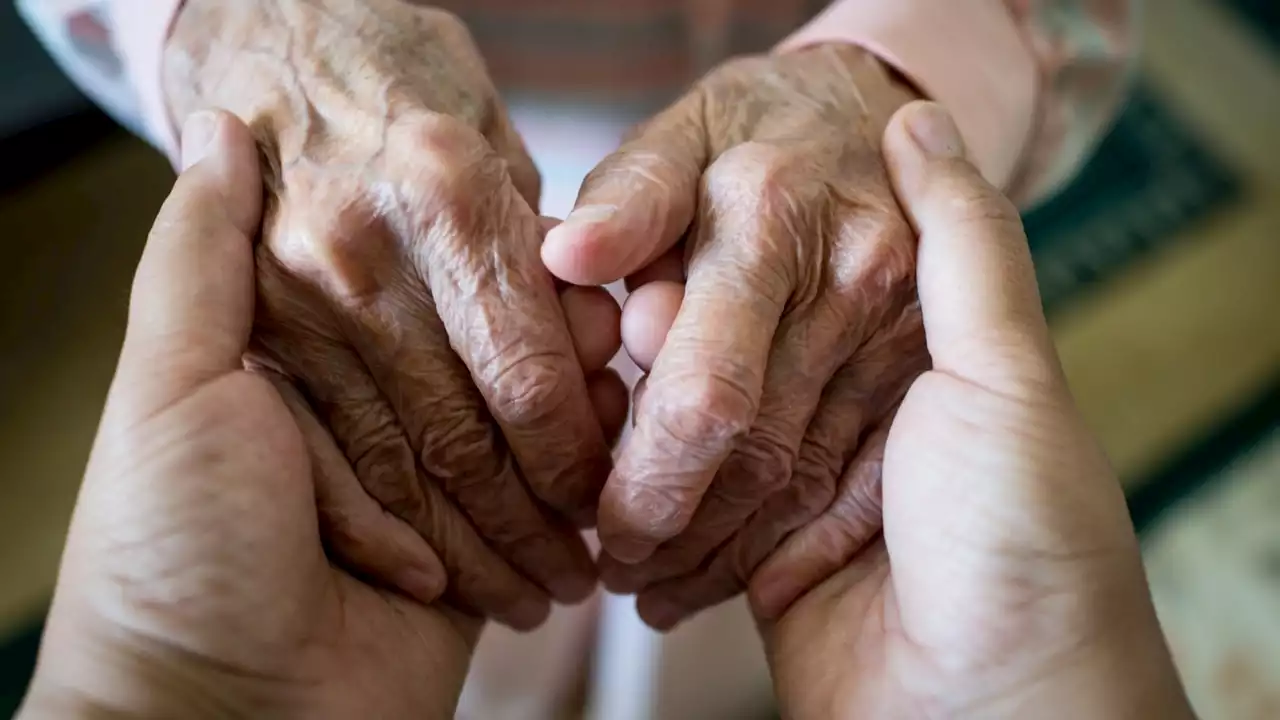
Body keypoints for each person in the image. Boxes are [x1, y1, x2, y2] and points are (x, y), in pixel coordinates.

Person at [17, 1, 1138, 715]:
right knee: (411, 542)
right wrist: (232, 23)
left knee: (777, 556)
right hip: (357, 179)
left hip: (855, 215)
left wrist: (904, 70)